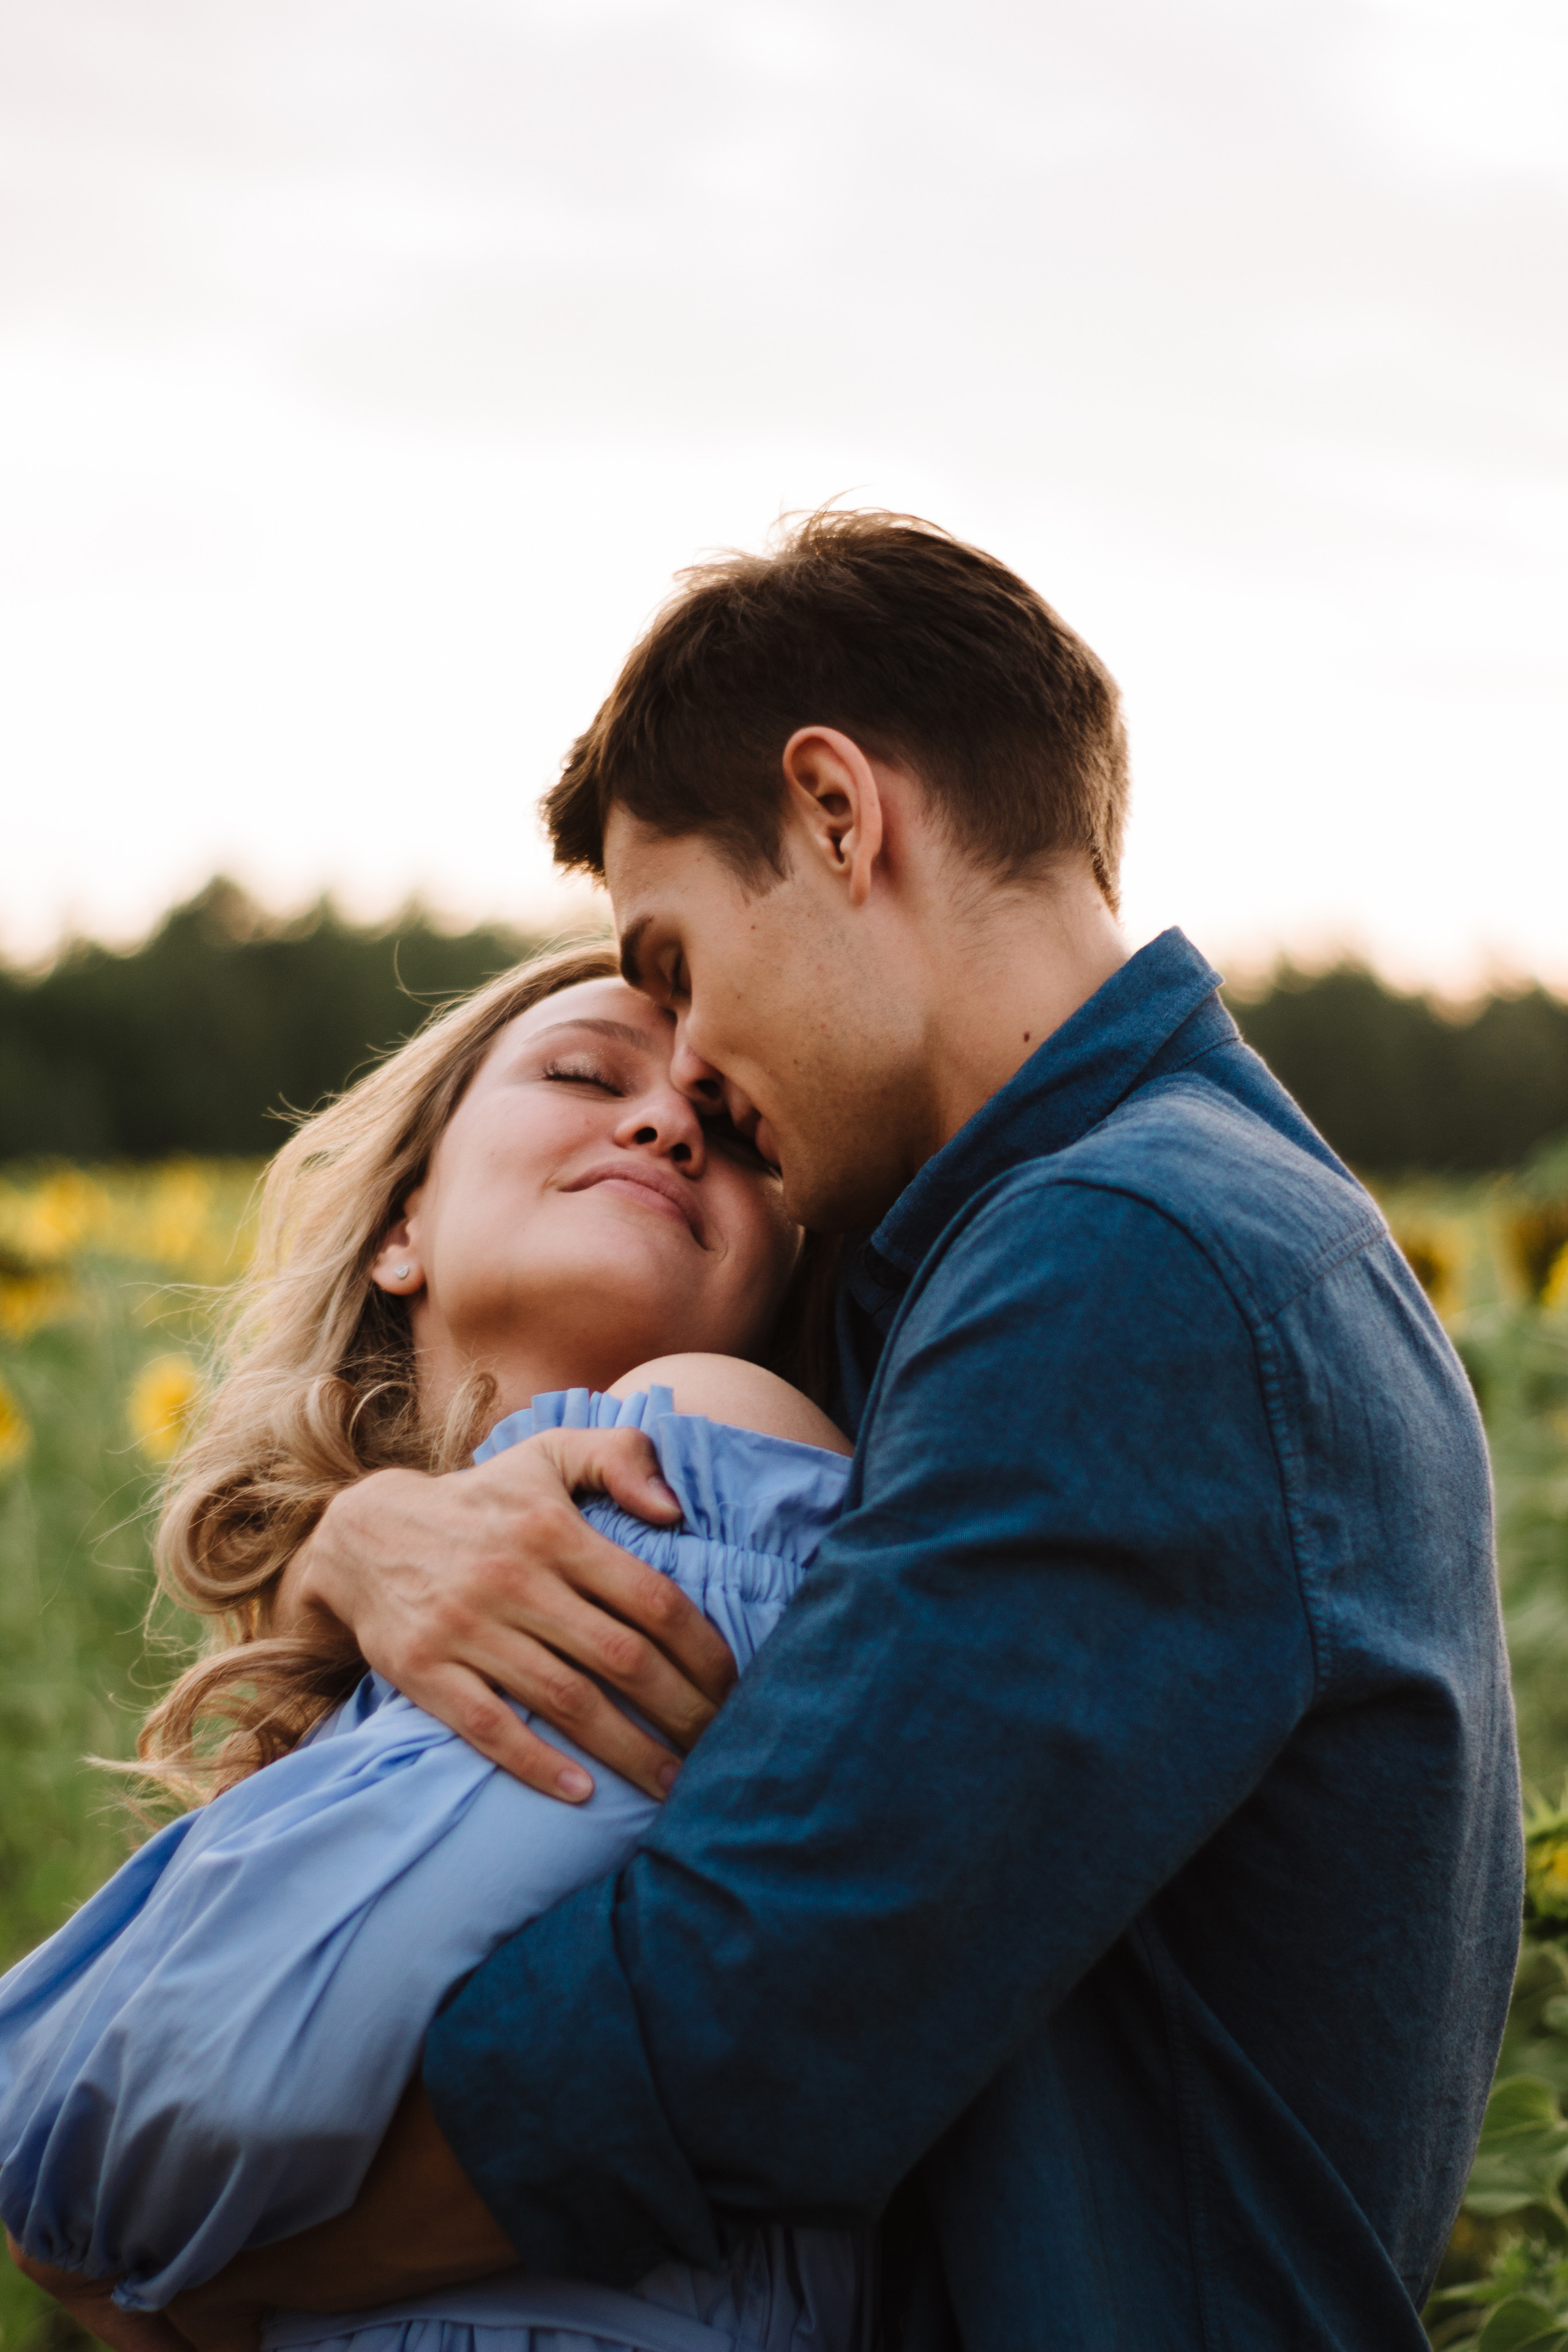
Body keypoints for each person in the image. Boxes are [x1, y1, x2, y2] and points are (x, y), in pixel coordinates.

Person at [22, 511, 1521, 2350]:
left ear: (836, 812)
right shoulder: (1072, 1247)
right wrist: (361, 1538)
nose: (695, 1066)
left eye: (674, 958)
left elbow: (765, 2006)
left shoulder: (1132, 1253)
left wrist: (223, 2280)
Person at [0, 945, 873, 2352]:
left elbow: (113, 2150)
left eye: (732, 1134)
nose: (663, 1122)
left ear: (781, 1277)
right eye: (585, 1073)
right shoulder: (358, 1647)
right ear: (403, 1225)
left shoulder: (710, 1444)